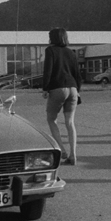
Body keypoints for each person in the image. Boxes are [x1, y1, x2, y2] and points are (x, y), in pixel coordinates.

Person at [42, 28, 81, 165]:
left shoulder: (50, 51)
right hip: (73, 88)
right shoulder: (71, 52)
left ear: (53, 38)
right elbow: (77, 73)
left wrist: (45, 88)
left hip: (58, 88)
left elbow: (48, 70)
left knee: (51, 119)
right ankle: (73, 155)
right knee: (70, 122)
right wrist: (78, 89)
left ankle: (62, 150)